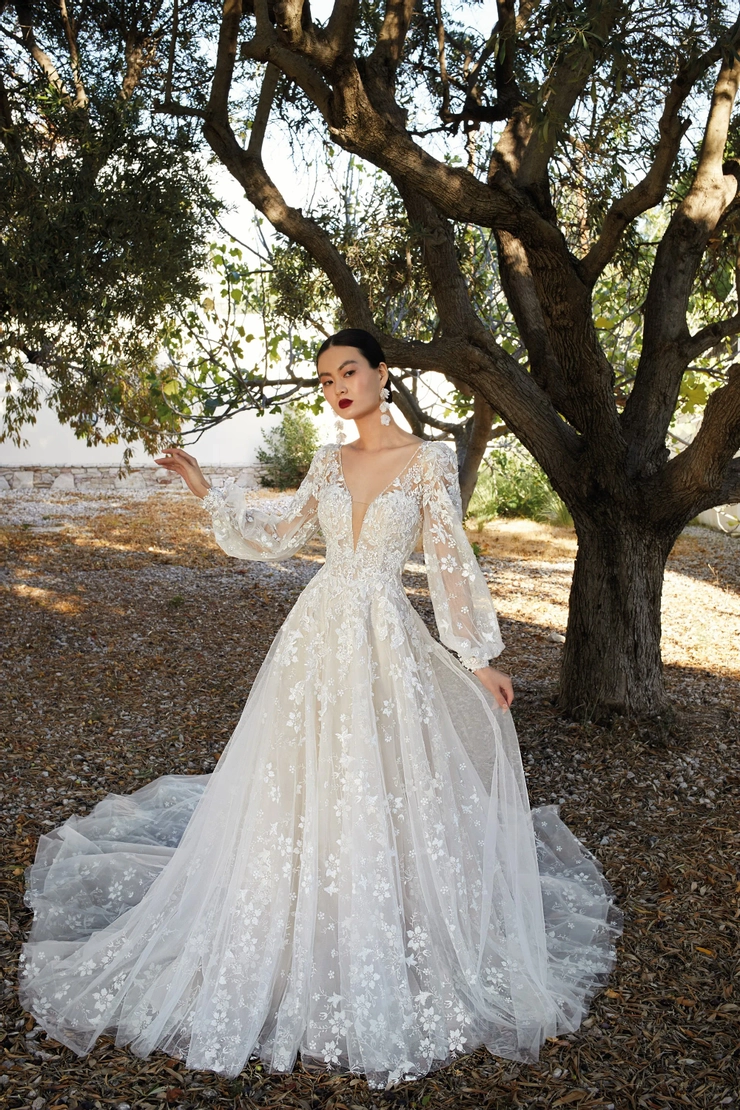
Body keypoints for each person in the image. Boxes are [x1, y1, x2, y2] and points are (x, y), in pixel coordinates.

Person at [19, 329, 622, 1090]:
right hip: (316, 631)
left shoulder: (429, 461)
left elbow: (449, 561)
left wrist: (476, 656)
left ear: (382, 374)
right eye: (326, 378)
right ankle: (292, 905)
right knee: (302, 771)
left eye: (349, 371)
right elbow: (276, 535)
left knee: (381, 770)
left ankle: (372, 907)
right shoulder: (328, 461)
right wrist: (206, 491)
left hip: (383, 635)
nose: (338, 386)